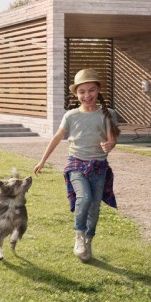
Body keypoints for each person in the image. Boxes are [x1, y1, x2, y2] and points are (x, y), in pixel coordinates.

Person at [32, 69, 119, 262]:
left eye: (91, 90)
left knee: (94, 207)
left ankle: (88, 240)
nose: (87, 95)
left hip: (99, 167)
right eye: (82, 91)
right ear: (76, 94)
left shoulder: (108, 114)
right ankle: (79, 235)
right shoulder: (71, 116)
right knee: (84, 197)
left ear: (98, 90)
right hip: (76, 164)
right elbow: (57, 138)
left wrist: (110, 145)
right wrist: (42, 160)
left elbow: (112, 140)